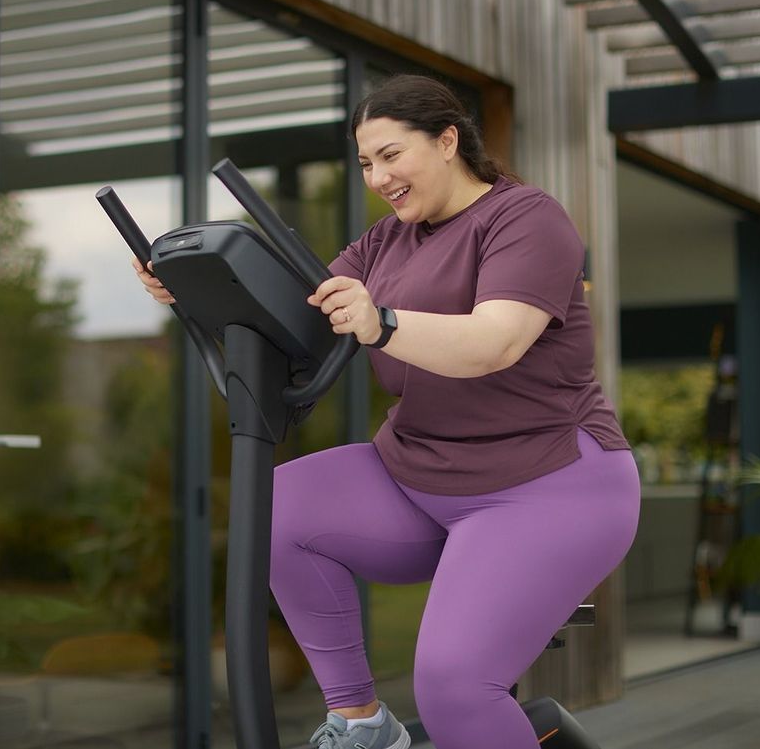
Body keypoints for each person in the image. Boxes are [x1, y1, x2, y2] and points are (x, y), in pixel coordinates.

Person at [134, 75, 640, 749]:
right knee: (277, 507)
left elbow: (497, 341)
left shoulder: (526, 218)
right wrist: (193, 286)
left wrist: (384, 322)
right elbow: (298, 315)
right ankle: (364, 722)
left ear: (448, 140)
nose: (377, 175)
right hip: (419, 472)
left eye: (391, 154)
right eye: (367, 162)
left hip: (548, 486)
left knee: (456, 684)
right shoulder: (384, 243)